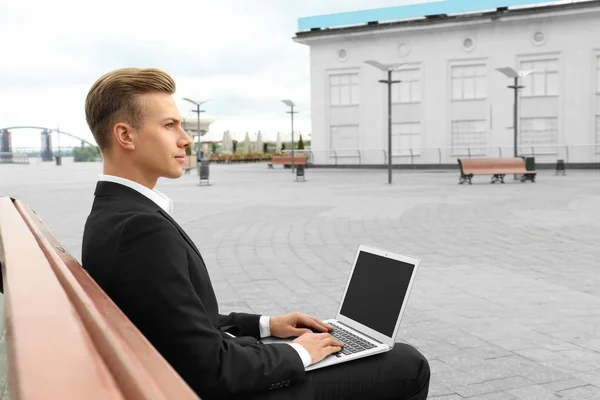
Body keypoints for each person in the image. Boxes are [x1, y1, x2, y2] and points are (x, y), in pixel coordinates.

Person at [82, 67, 430, 400]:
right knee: (406, 365)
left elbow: (174, 319)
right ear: (125, 135)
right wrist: (298, 355)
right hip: (217, 389)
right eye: (170, 125)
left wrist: (266, 325)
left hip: (170, 376)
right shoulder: (141, 229)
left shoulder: (112, 213)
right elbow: (211, 369)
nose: (186, 139)